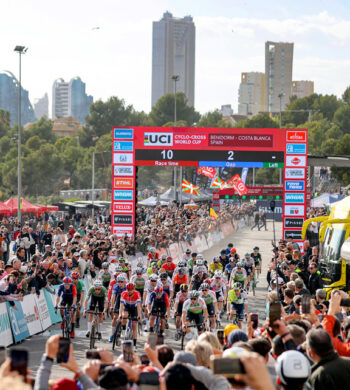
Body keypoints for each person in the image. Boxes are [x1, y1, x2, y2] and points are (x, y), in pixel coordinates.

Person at [119, 282, 142, 349]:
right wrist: (120, 314)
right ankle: (123, 330)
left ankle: (134, 345)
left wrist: (139, 315)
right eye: (128, 290)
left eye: (131, 290)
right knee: (124, 315)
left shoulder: (137, 294)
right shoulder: (124, 293)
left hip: (134, 308)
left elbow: (138, 306)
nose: (129, 291)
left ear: (133, 289)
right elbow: (121, 306)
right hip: (127, 307)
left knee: (134, 326)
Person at [109, 274, 126, 342]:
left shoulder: (126, 287)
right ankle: (112, 334)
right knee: (115, 318)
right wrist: (112, 306)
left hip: (125, 300)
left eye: (122, 282)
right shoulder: (115, 286)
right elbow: (113, 297)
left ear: (124, 282)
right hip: (119, 299)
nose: (120, 283)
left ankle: (123, 331)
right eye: (119, 282)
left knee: (124, 316)